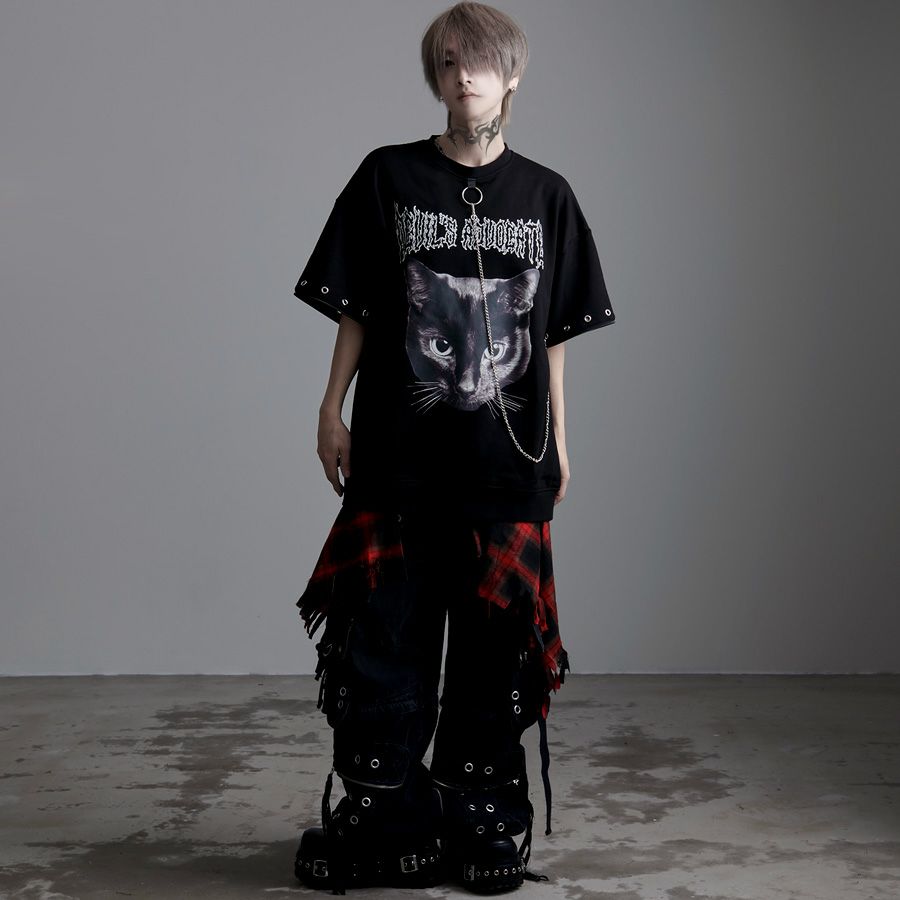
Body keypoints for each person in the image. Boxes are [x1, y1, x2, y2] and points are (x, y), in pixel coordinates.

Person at [291, 2, 616, 893]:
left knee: (495, 653)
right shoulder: (388, 176)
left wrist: (560, 437)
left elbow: (552, 335)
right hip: (397, 461)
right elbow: (359, 305)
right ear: (435, 77)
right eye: (447, 62)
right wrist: (329, 408)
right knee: (381, 644)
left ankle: (482, 825)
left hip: (506, 466)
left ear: (512, 75)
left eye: (479, 61)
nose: (462, 75)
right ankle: (385, 820)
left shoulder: (546, 196)